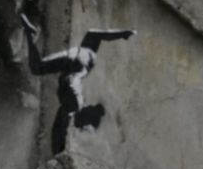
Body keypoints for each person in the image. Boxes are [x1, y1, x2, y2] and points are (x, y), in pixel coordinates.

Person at [20, 13, 135, 154]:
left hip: (73, 58)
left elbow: (98, 33)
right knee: (39, 70)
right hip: (74, 65)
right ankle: (29, 34)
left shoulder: (88, 48)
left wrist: (123, 33)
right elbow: (100, 34)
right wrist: (123, 33)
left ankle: (29, 33)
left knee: (37, 68)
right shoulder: (75, 103)